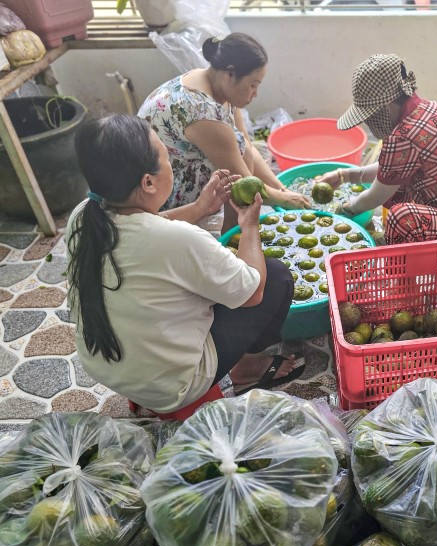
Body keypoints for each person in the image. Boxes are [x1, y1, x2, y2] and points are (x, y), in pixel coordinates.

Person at [66, 114, 306, 415]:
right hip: (173, 385)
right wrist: (249, 225)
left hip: (107, 367)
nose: (170, 165)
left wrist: (199, 209)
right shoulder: (179, 240)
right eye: (166, 158)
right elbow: (253, 291)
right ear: (148, 182)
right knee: (275, 277)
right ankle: (248, 369)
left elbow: (144, 229)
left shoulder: (84, 216)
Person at [317, 54, 437, 245]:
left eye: (370, 114)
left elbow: (375, 196)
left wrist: (343, 211)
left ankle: (406, 270)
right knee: (398, 185)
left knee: (400, 218)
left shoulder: (403, 135)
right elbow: (389, 170)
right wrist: (344, 175)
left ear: (386, 106)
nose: (369, 121)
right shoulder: (429, 109)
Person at [138, 32, 309, 233]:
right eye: (253, 85)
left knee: (239, 147)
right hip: (158, 190)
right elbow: (247, 183)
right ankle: (231, 233)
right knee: (237, 168)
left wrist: (281, 188)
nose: (255, 93)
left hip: (175, 165)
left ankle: (234, 228)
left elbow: (246, 143)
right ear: (230, 74)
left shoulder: (211, 81)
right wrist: (286, 199)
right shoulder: (201, 112)